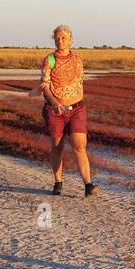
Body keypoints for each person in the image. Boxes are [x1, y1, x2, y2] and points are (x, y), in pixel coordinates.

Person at [38, 25, 97, 197]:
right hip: (55, 110)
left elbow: (79, 83)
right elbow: (45, 86)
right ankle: (58, 182)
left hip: (76, 109)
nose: (60, 41)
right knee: (57, 146)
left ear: (71, 39)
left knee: (80, 145)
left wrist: (74, 100)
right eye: (57, 38)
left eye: (63, 38)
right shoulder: (49, 60)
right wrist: (55, 103)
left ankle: (88, 185)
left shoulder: (78, 60)